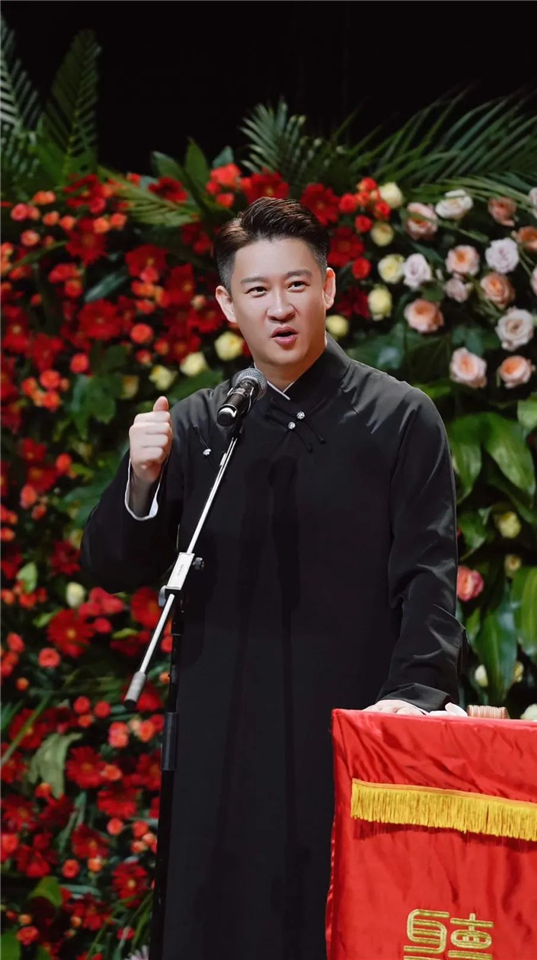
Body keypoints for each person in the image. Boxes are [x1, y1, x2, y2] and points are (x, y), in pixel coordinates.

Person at [80, 197, 467, 960]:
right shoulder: (200, 425)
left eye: (297, 285)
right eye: (257, 290)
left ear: (328, 288)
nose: (279, 308)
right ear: (228, 305)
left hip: (349, 732)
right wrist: (140, 480)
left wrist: (412, 701)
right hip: (222, 737)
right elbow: (111, 564)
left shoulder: (399, 418)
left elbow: (429, 576)